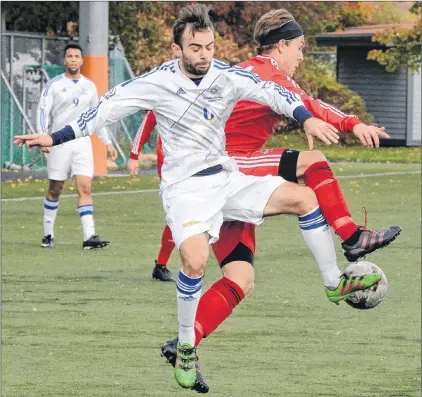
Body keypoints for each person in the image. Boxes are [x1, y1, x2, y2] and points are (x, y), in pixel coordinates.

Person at [14, 4, 383, 391]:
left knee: (305, 199)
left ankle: (332, 283)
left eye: (208, 46)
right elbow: (100, 113)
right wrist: (53, 137)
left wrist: (305, 117)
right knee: (194, 261)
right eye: (194, 48)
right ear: (177, 50)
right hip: (185, 189)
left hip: (226, 177)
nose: (203, 55)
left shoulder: (226, 74)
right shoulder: (153, 83)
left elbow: (274, 93)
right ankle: (187, 344)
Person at [37, 43, 117, 250]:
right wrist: (43, 137)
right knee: (55, 189)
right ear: (64, 60)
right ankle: (48, 234)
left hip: (82, 144)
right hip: (58, 143)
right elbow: (42, 111)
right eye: (69, 56)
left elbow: (96, 118)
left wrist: (107, 142)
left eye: (76, 56)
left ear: (82, 61)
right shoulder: (54, 85)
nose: (73, 59)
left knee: (85, 187)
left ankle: (89, 237)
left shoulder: (89, 87)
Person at [128, 112, 175, 281]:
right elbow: (148, 121)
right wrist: (134, 155)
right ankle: (161, 265)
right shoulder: (166, 90)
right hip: (171, 163)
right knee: (177, 213)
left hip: (199, 160)